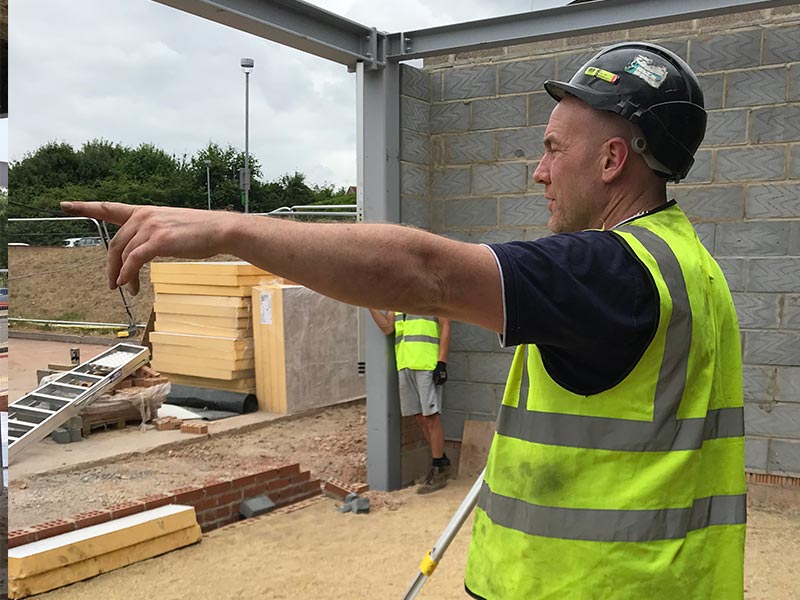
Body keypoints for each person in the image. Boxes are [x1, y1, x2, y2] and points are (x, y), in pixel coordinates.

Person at [63, 41, 744, 599]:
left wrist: (228, 230)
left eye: (552, 149)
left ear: (611, 160)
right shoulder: (688, 266)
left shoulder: (615, 273)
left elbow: (428, 272)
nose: (538, 173)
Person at [368, 308, 451, 493]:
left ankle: (438, 470)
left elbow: (445, 324)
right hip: (405, 364)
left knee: (431, 417)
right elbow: (388, 328)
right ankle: (441, 461)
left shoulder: (429, 295)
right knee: (419, 418)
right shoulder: (396, 303)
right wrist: (369, 305)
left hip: (427, 364)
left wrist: (442, 362)